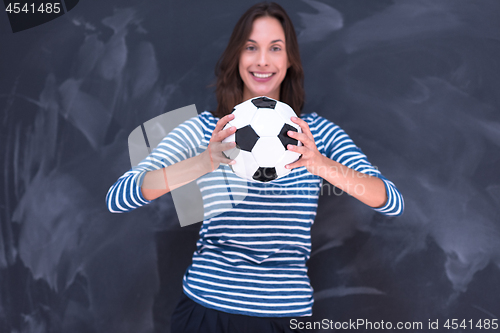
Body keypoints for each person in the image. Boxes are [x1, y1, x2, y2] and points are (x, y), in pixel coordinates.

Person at [106, 2, 404, 332]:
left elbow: (391, 201)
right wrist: (204, 162)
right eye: (251, 48)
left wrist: (320, 165)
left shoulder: (318, 134)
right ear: (236, 57)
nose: (262, 60)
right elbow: (119, 197)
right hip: (207, 311)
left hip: (285, 316)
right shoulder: (206, 130)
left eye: (275, 48)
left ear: (290, 60)